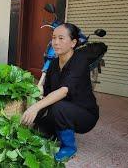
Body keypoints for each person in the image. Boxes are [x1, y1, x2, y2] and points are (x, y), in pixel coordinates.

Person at [21, 23, 99, 162]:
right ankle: (59, 131)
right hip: (61, 111)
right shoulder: (53, 64)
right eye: (54, 38)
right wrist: (36, 97)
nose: (56, 42)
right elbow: (48, 93)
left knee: (58, 107)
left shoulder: (79, 61)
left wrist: (35, 107)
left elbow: (63, 92)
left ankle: (69, 147)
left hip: (85, 115)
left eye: (61, 38)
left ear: (73, 43)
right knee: (38, 131)